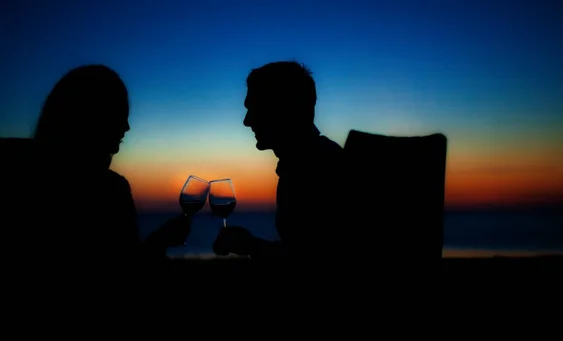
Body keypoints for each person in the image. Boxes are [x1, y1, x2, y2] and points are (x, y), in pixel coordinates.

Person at [3, 65, 190, 289]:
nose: (128, 126)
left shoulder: (19, 168)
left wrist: (160, 240)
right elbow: (123, 275)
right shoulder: (111, 190)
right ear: (89, 115)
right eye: (120, 114)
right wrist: (160, 244)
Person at [212, 61, 348, 268]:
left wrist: (252, 246)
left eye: (254, 108)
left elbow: (319, 260)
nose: (246, 121)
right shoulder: (303, 161)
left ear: (280, 109)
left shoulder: (318, 168)